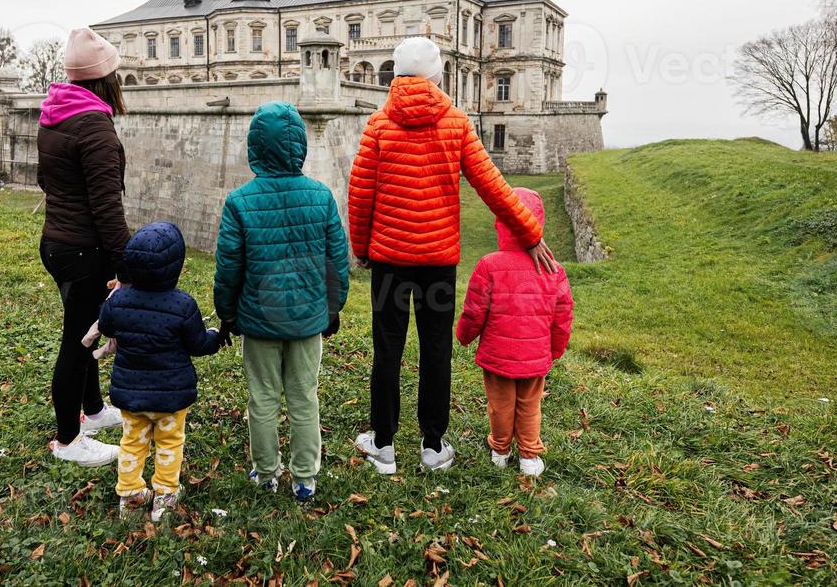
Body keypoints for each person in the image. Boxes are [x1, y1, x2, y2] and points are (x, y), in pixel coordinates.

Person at [347, 37, 558, 474]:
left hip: (389, 259)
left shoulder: (378, 125)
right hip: (437, 263)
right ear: (438, 76)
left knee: (388, 348)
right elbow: (493, 186)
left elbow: (360, 194)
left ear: (396, 76)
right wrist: (530, 233)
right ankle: (432, 445)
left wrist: (361, 248)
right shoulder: (456, 123)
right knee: (436, 348)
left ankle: (383, 445)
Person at [213, 102, 350, 504]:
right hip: (308, 320)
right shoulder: (321, 196)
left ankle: (267, 471)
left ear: (254, 145)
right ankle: (305, 477)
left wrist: (228, 313)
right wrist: (332, 307)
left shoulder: (240, 202)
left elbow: (229, 267)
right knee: (304, 397)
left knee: (263, 398)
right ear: (300, 147)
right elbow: (336, 262)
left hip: (258, 320)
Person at [36, 27, 131, 468]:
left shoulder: (55, 114)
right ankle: (69, 439)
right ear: (104, 78)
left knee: (87, 329)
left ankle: (92, 412)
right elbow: (106, 205)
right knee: (77, 342)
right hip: (81, 250)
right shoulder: (94, 126)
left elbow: (48, 181)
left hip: (57, 241)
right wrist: (124, 263)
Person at [97, 222, 227, 522]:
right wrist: (215, 336)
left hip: (131, 394)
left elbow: (105, 326)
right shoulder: (183, 305)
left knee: (132, 442)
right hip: (171, 396)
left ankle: (130, 495)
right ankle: (164, 495)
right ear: (176, 267)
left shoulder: (118, 301)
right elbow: (198, 344)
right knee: (169, 442)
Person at [455, 187, 573, 477]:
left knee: (500, 405)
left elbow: (474, 309)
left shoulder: (489, 265)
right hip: (535, 357)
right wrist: (555, 348)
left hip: (498, 356)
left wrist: (465, 335)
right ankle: (530, 457)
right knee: (530, 406)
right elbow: (562, 316)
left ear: (501, 223)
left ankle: (500, 450)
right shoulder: (553, 269)